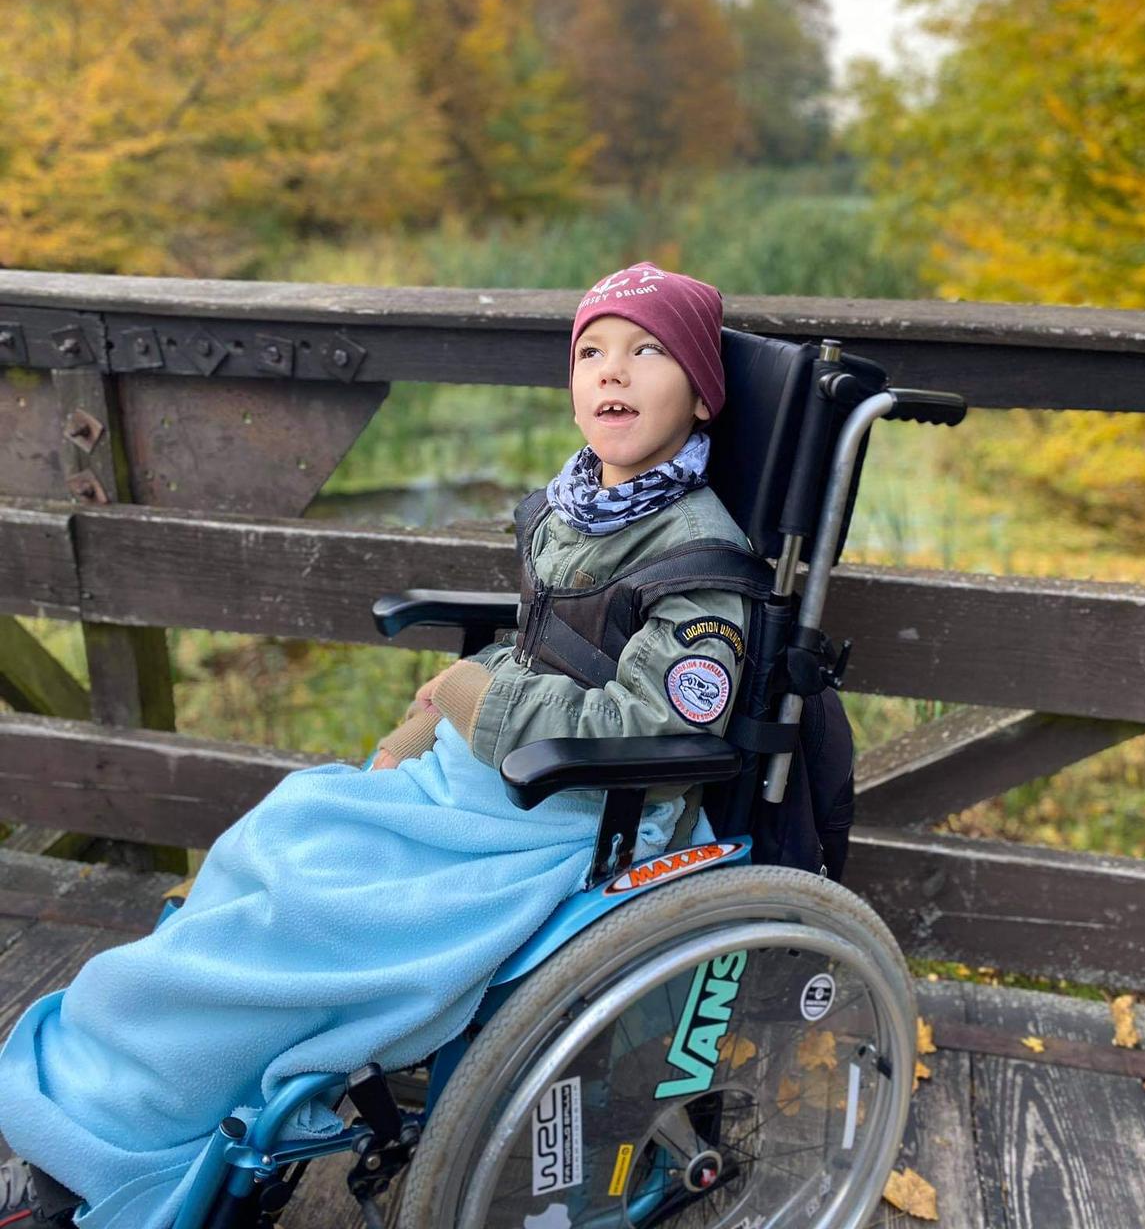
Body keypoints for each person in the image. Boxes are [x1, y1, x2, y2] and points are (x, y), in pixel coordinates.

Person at [0, 263, 761, 1229]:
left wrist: (473, 699)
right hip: (493, 781)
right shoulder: (579, 508)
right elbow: (547, 649)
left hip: (578, 819)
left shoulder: (699, 563)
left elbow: (660, 724)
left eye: (648, 352)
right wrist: (437, 707)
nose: (613, 371)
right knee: (284, 830)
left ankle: (117, 1148)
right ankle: (123, 1088)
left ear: (701, 394)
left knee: (307, 918)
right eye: (592, 352)